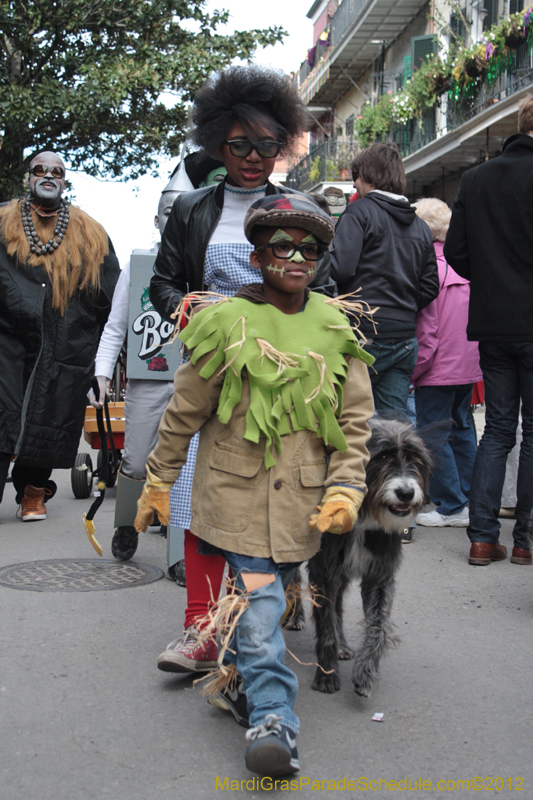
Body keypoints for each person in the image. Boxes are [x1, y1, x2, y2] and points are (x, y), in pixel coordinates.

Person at [135, 194, 374, 776]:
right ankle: (274, 721)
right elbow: (184, 412)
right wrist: (159, 480)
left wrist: (345, 491)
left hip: (301, 510)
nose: (297, 257)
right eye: (283, 246)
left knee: (260, 605)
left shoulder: (335, 328)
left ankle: (235, 684)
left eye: (309, 248)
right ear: (257, 254)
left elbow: (354, 425)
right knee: (264, 607)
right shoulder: (224, 324)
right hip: (236, 505)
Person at [149, 65, 332, 673]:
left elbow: (326, 289)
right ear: (216, 144)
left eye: (266, 145)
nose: (253, 158)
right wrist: (183, 306)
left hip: (279, 387)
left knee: (261, 506)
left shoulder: (300, 211)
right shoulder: (193, 209)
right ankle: (201, 629)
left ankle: (250, 625)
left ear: (283, 145)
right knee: (204, 504)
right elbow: (163, 282)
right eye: (238, 145)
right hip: (211, 375)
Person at [0, 151, 120, 519]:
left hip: (64, 340)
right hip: (8, 339)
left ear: (64, 181)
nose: (48, 175)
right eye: (40, 170)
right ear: (29, 178)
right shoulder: (3, 220)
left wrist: (104, 361)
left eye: (57, 171)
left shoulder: (89, 231)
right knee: (2, 412)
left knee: (50, 414)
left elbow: (109, 297)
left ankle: (34, 492)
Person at [444, 93, 533, 567]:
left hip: (494, 321)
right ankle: (525, 540)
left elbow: (457, 253)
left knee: (497, 429)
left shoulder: (476, 179)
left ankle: (482, 537)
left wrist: (495, 278)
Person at [89, 185, 180, 560]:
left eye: (182, 212)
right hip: (149, 378)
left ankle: (179, 555)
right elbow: (115, 327)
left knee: (186, 466)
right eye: (168, 212)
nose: (175, 219)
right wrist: (102, 373)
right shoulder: (138, 266)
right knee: (137, 459)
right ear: (156, 220)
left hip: (195, 378)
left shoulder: (204, 263)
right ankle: (127, 523)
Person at [330, 142, 439, 416]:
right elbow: (430, 286)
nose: (355, 185)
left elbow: (341, 268)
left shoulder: (358, 213)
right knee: (395, 427)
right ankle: (399, 462)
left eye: (356, 177)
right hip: (404, 336)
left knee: (350, 420)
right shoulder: (422, 228)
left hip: (362, 331)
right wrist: (402, 306)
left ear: (366, 176)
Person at [410, 198, 482, 528]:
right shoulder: (466, 266)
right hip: (467, 366)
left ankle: (451, 505)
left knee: (433, 435)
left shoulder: (428, 269)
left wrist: (414, 371)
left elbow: (427, 332)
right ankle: (470, 498)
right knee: (463, 429)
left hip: (437, 368)